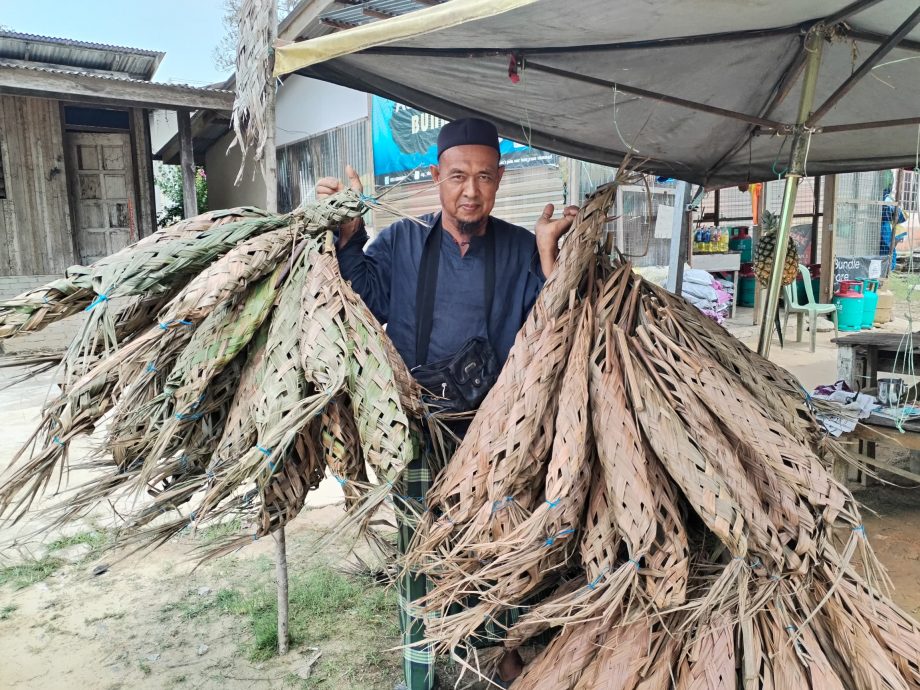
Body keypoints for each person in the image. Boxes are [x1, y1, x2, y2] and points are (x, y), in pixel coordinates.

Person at [316, 117, 578, 689]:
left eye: (485, 177)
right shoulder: (402, 242)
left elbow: (554, 321)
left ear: (500, 179)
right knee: (419, 552)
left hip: (499, 429)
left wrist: (549, 253)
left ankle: (506, 651)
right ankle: (421, 671)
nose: (471, 191)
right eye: (458, 176)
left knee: (505, 544)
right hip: (417, 428)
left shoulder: (519, 248)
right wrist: (347, 233)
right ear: (436, 176)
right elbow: (360, 295)